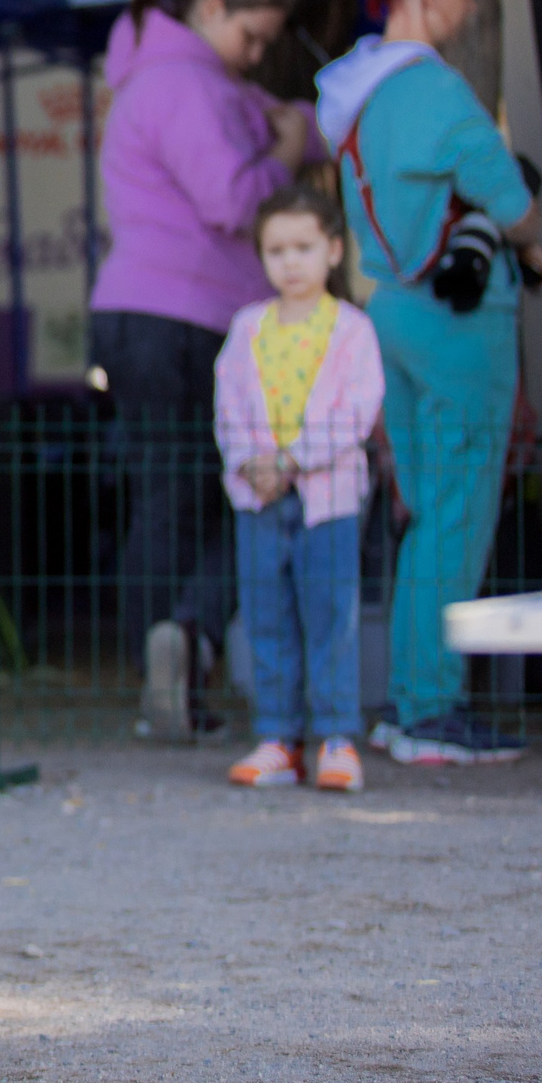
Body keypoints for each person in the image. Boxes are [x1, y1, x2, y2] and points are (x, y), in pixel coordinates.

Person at [314, 0, 542, 767]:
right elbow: (514, 201)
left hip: (390, 313)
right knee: (459, 511)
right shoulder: (438, 92)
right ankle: (430, 709)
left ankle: (408, 704)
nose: (472, 3)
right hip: (458, 323)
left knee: (423, 513)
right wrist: (524, 238)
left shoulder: (354, 90)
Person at [89, 0, 307, 737]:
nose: (258, 55)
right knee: (229, 491)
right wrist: (286, 151)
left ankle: (167, 680)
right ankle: (189, 639)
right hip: (190, 318)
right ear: (210, 10)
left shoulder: (162, 77)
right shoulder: (185, 86)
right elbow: (232, 199)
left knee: (165, 493)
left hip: (139, 311)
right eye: (253, 37)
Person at [214, 185, 383, 792]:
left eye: (304, 247)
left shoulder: (353, 331)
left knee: (330, 617)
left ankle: (337, 736)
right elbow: (228, 407)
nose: (290, 262)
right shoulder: (246, 328)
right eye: (276, 249)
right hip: (258, 498)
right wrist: (250, 463)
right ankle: (278, 738)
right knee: (267, 618)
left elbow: (355, 414)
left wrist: (291, 459)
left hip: (327, 501)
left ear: (334, 251)